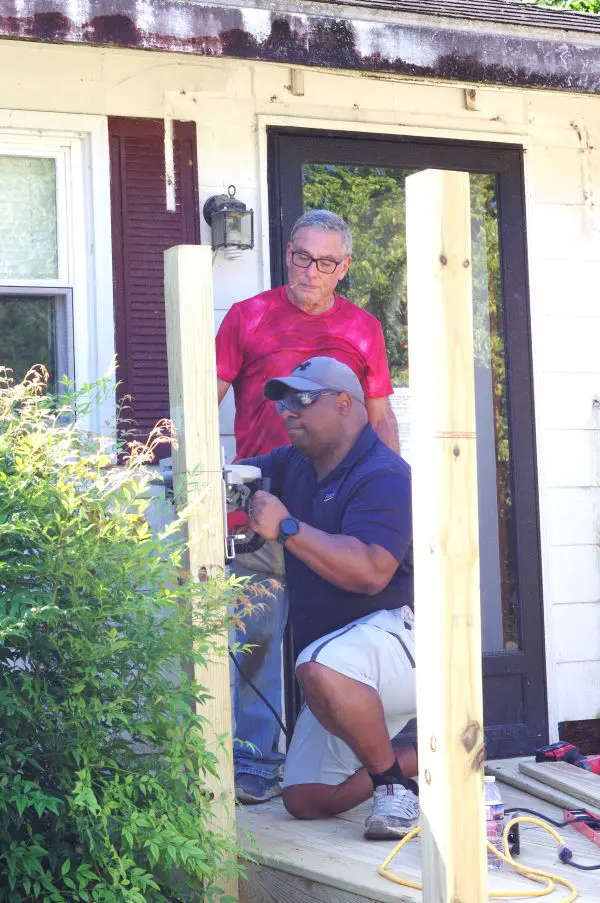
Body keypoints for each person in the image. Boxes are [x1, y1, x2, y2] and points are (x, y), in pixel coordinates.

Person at [216, 210, 399, 805]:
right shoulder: (248, 317)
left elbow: (380, 417)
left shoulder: (363, 328)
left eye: (325, 262)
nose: (310, 271)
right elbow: (199, 395)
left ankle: (363, 756)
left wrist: (390, 497)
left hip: (339, 512)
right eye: (301, 257)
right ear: (287, 253)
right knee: (257, 638)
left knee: (342, 634)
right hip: (263, 505)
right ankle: (255, 760)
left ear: (344, 268)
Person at [241, 356, 418, 839]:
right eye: (283, 402)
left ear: (344, 403)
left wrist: (287, 527)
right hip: (340, 668)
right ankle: (418, 759)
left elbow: (370, 572)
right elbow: (234, 476)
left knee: (319, 666)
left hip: (405, 648)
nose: (288, 412)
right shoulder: (293, 464)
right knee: (306, 798)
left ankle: (392, 788)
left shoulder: (385, 474)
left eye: (302, 399)